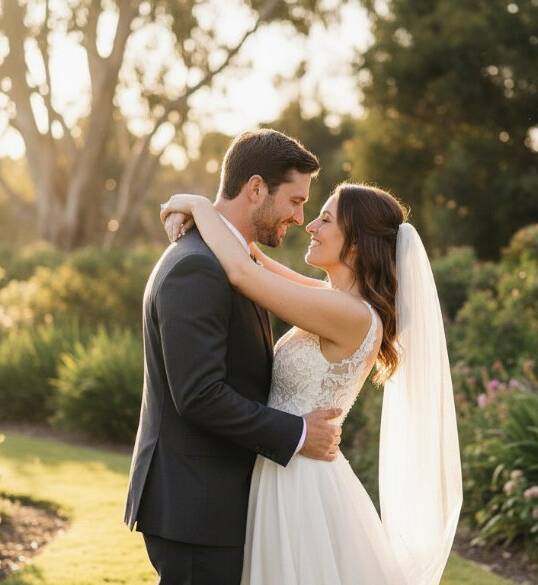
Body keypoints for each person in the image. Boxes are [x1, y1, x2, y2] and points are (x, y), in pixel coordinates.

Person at [159, 181, 462, 585]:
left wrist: (195, 203)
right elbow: (251, 256)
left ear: (355, 242)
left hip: (301, 483)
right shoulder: (332, 298)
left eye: (325, 218)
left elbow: (241, 271)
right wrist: (193, 208)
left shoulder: (349, 314)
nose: (311, 226)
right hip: (286, 465)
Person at [124, 129, 345, 585]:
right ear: (257, 188)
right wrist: (299, 433)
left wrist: (195, 204)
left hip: (217, 504)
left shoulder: (233, 262)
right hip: (195, 508)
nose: (301, 217)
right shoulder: (196, 267)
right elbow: (200, 394)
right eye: (296, 201)